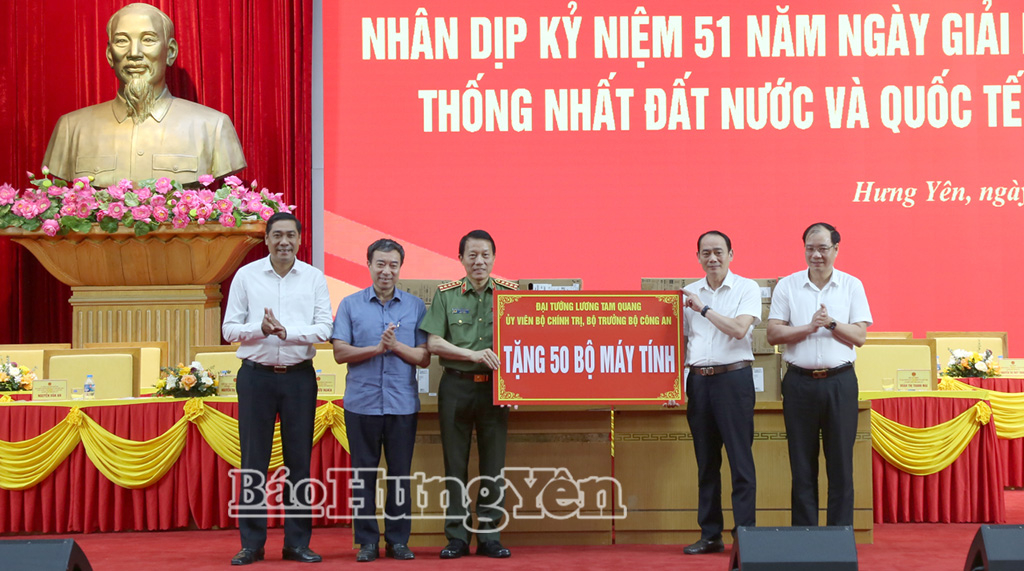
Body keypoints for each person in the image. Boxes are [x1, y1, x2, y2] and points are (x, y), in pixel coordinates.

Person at [222, 211, 332, 565]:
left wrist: (288, 333)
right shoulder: (246, 276)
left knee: (299, 462)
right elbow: (229, 329)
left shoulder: (313, 277)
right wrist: (261, 329)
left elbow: (324, 328)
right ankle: (252, 544)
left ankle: (296, 543)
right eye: (277, 235)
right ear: (267, 239)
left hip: (299, 378)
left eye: (290, 235)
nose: (284, 242)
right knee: (253, 461)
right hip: (257, 377)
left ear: (299, 240)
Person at [42, 3, 246, 187]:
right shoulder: (71, 129)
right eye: (122, 41)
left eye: (148, 39)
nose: (134, 53)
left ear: (170, 52)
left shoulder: (212, 128)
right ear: (110, 55)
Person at [419, 230, 518, 559]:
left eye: (485, 255)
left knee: (493, 465)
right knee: (455, 464)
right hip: (456, 386)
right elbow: (433, 343)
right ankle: (457, 536)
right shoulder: (446, 295)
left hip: (495, 388)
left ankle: (489, 535)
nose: (479, 261)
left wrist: (521, 385)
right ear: (460, 258)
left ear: (494, 258)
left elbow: (524, 342)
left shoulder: (510, 295)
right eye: (472, 255)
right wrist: (472, 355)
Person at [766, 222, 871, 527]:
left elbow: (860, 337)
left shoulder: (852, 285)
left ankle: (839, 536)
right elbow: (773, 334)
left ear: (836, 249)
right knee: (802, 465)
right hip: (799, 383)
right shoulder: (788, 286)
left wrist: (831, 324)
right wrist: (809, 327)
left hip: (840, 382)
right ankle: (805, 537)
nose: (816, 255)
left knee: (841, 465)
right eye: (810, 249)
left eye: (823, 248)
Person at [331, 239, 429, 562]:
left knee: (400, 475)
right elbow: (339, 352)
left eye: (393, 265)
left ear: (401, 268)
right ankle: (367, 542)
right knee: (363, 476)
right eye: (381, 264)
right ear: (369, 265)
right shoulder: (350, 304)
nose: (387, 271)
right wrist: (376, 349)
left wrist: (396, 346)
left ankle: (398, 541)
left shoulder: (415, 306)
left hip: (402, 405)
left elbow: (424, 357)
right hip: (361, 404)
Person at [678, 231, 760, 554]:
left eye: (718, 252)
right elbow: (681, 342)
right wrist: (672, 386)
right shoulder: (688, 293)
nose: (712, 258)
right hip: (699, 382)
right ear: (698, 256)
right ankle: (710, 535)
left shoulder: (746, 288)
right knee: (706, 463)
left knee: (741, 462)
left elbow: (739, 329)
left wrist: (704, 309)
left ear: (731, 254)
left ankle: (745, 537)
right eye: (706, 253)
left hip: (734, 380)